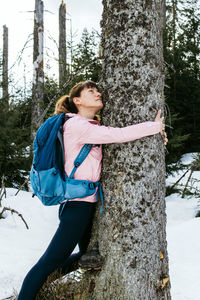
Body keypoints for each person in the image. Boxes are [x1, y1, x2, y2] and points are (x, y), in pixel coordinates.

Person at [17, 80, 167, 299]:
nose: (98, 94)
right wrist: (154, 127)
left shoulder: (88, 127)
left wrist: (157, 140)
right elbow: (117, 135)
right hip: (77, 207)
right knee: (50, 261)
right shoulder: (77, 125)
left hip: (84, 205)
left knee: (85, 256)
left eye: (98, 91)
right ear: (77, 100)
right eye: (91, 91)